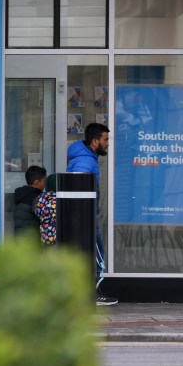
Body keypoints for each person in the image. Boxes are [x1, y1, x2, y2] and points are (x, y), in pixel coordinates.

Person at [66, 122, 118, 306]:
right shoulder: (84, 162)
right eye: (105, 139)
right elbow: (78, 190)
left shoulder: (86, 158)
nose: (108, 144)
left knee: (92, 254)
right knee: (96, 255)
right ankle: (91, 295)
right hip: (85, 220)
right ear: (95, 141)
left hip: (85, 218)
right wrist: (86, 216)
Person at [12, 165, 46, 243]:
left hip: (18, 240)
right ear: (36, 182)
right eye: (44, 181)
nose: (45, 184)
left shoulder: (20, 195)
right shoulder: (38, 198)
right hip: (32, 242)